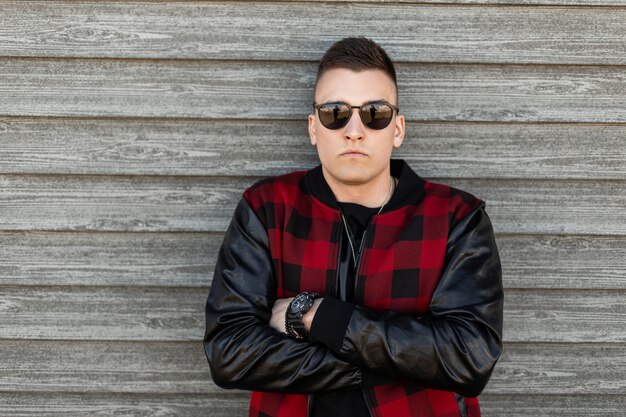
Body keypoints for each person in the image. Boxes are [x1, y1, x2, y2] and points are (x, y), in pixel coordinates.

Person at [204, 37, 503, 417]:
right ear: (314, 128)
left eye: (375, 113)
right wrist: (407, 359)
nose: (354, 131)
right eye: (335, 113)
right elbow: (229, 353)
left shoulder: (457, 217)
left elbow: (470, 357)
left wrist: (316, 316)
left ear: (397, 128)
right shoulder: (266, 208)